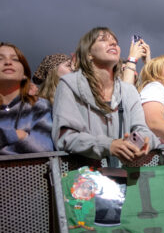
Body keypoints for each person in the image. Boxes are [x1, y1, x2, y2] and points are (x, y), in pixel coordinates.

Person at [52, 27, 157, 164]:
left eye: (115, 42)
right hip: (86, 179)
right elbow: (64, 136)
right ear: (89, 53)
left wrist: (140, 144)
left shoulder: (129, 91)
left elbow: (143, 130)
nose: (113, 44)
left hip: (126, 176)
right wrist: (109, 145)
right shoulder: (69, 84)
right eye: (103, 39)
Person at [0, 43, 54, 154]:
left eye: (15, 59)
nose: (8, 62)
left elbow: (43, 149)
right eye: (0, 59)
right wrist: (17, 135)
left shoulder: (39, 105)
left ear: (25, 74)